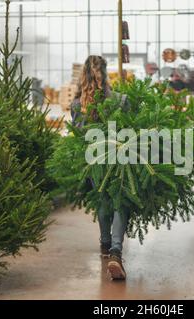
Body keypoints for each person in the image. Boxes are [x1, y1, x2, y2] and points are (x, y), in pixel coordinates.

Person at [71, 55, 129, 280]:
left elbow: (78, 138)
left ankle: (105, 246)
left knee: (103, 199)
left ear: (82, 76)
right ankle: (115, 251)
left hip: (93, 163)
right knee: (121, 202)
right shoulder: (120, 100)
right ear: (105, 73)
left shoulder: (77, 106)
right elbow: (128, 131)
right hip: (119, 161)